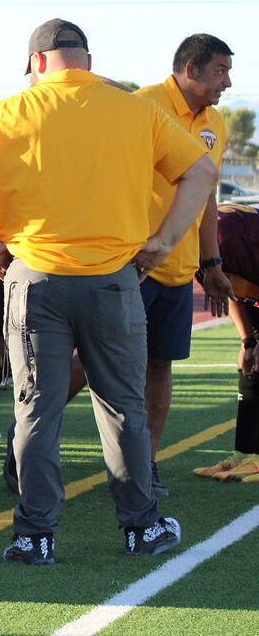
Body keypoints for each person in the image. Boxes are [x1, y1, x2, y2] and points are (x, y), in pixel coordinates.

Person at [0, 18, 217, 564]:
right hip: (114, 280)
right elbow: (201, 174)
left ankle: (34, 535)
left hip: (35, 278)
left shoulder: (11, 110)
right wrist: (161, 242)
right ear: (85, 60)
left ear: (39, 62)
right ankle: (141, 527)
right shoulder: (137, 109)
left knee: (36, 412)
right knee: (123, 409)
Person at [129, 34, 234, 496]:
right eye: (219, 71)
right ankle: (29, 446)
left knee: (160, 364)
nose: (227, 82)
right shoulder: (141, 106)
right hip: (131, 263)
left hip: (177, 267)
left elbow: (206, 196)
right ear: (190, 69)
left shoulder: (217, 123)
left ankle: (145, 464)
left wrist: (210, 262)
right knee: (92, 363)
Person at [193, 202, 259, 480]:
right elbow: (231, 292)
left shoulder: (226, 239)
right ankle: (245, 453)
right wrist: (248, 341)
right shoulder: (191, 248)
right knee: (249, 361)